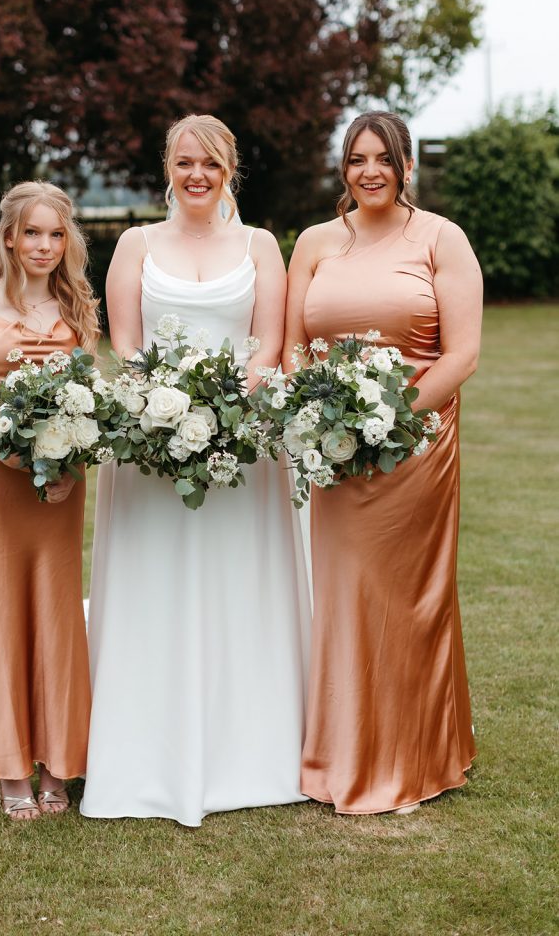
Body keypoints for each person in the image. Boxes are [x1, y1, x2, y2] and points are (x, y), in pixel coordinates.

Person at [81, 114, 311, 826]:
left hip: (245, 439)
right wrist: (168, 407)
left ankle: (255, 748)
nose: (196, 176)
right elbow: (123, 341)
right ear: (168, 167)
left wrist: (225, 408)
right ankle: (145, 749)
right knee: (158, 581)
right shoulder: (135, 243)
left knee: (242, 581)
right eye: (184, 163)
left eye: (209, 164)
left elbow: (268, 343)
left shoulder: (260, 245)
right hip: (153, 443)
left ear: (228, 170)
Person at [284, 111, 482, 815]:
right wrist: (320, 420)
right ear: (342, 168)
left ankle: (414, 757)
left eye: (383, 158)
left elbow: (460, 354)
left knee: (404, 598)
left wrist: (388, 419)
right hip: (334, 453)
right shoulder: (312, 242)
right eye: (356, 159)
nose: (369, 171)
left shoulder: (440, 239)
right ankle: (340, 755)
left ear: (405, 165)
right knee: (344, 596)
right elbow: (290, 349)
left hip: (415, 443)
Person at [0, 181, 100, 820]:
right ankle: (9, 764)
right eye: (32, 232)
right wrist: (9, 448)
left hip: (59, 487)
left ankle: (59, 760)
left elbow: (93, 406)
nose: (44, 245)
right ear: (8, 236)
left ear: (69, 243)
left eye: (56, 234)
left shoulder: (80, 309)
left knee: (57, 610)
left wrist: (69, 463)